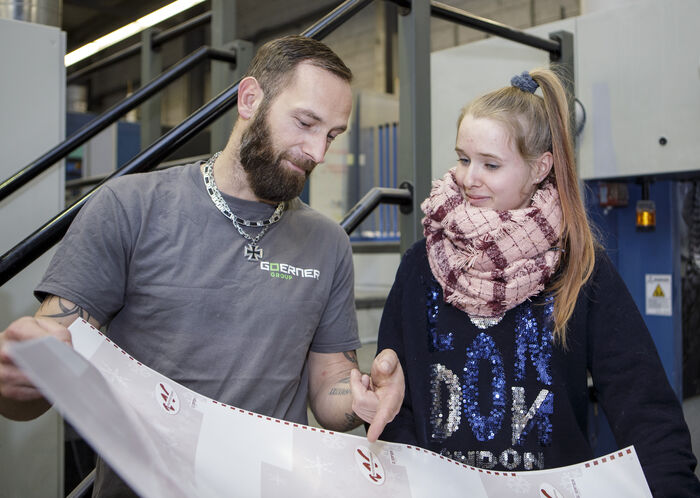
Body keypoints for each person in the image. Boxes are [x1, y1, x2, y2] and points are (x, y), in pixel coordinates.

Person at [0, 35, 404, 496]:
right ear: (250, 99)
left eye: (331, 135)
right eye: (306, 122)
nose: (318, 153)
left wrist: (362, 398)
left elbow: (328, 382)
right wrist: (19, 376)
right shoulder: (130, 208)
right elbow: (38, 378)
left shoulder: (327, 242)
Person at [375, 68, 700, 496]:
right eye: (463, 158)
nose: (470, 177)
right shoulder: (422, 265)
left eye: (491, 164)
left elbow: (645, 410)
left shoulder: (580, 270)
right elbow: (396, 408)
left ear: (539, 167)